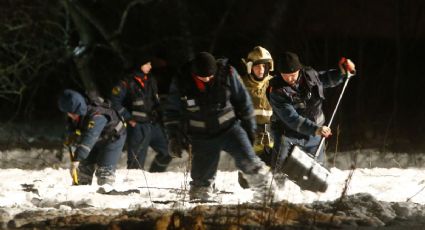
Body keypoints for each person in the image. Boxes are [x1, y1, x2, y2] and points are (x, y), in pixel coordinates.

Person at [164, 51, 276, 201]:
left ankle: (267, 192)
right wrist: (173, 136)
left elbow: (244, 102)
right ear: (194, 74)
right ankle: (200, 196)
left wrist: (249, 129)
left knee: (249, 160)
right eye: (203, 77)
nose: (208, 79)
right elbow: (171, 110)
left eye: (211, 76)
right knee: (200, 178)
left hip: (230, 129)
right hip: (201, 135)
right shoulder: (182, 80)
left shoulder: (227, 73)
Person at [268, 51, 355, 171]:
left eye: (293, 74)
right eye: (285, 75)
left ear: (299, 70)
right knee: (281, 171)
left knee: (316, 173)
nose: (289, 78)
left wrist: (341, 73)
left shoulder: (309, 76)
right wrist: (316, 129)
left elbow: (325, 78)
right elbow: (292, 118)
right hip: (288, 135)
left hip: (314, 135)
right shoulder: (276, 91)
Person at [111, 56, 172, 172]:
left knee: (167, 151)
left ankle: (155, 175)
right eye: (147, 64)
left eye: (150, 64)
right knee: (136, 162)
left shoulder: (151, 80)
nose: (150, 66)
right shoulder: (127, 82)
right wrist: (128, 118)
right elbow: (115, 102)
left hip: (152, 124)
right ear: (140, 65)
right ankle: (134, 187)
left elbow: (155, 101)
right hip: (137, 126)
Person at [58, 89, 127, 185]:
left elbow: (90, 136)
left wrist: (77, 159)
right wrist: (71, 138)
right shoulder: (79, 113)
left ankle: (105, 193)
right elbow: (76, 130)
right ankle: (81, 192)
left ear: (77, 108)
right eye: (68, 113)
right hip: (95, 139)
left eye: (71, 113)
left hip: (112, 138)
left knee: (104, 172)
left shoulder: (97, 115)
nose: (69, 115)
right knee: (83, 170)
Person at [241, 46, 274, 165]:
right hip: (250, 133)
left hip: (272, 132)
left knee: (274, 165)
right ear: (250, 67)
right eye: (257, 66)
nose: (261, 70)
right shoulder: (241, 84)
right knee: (250, 169)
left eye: (264, 66)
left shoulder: (275, 83)